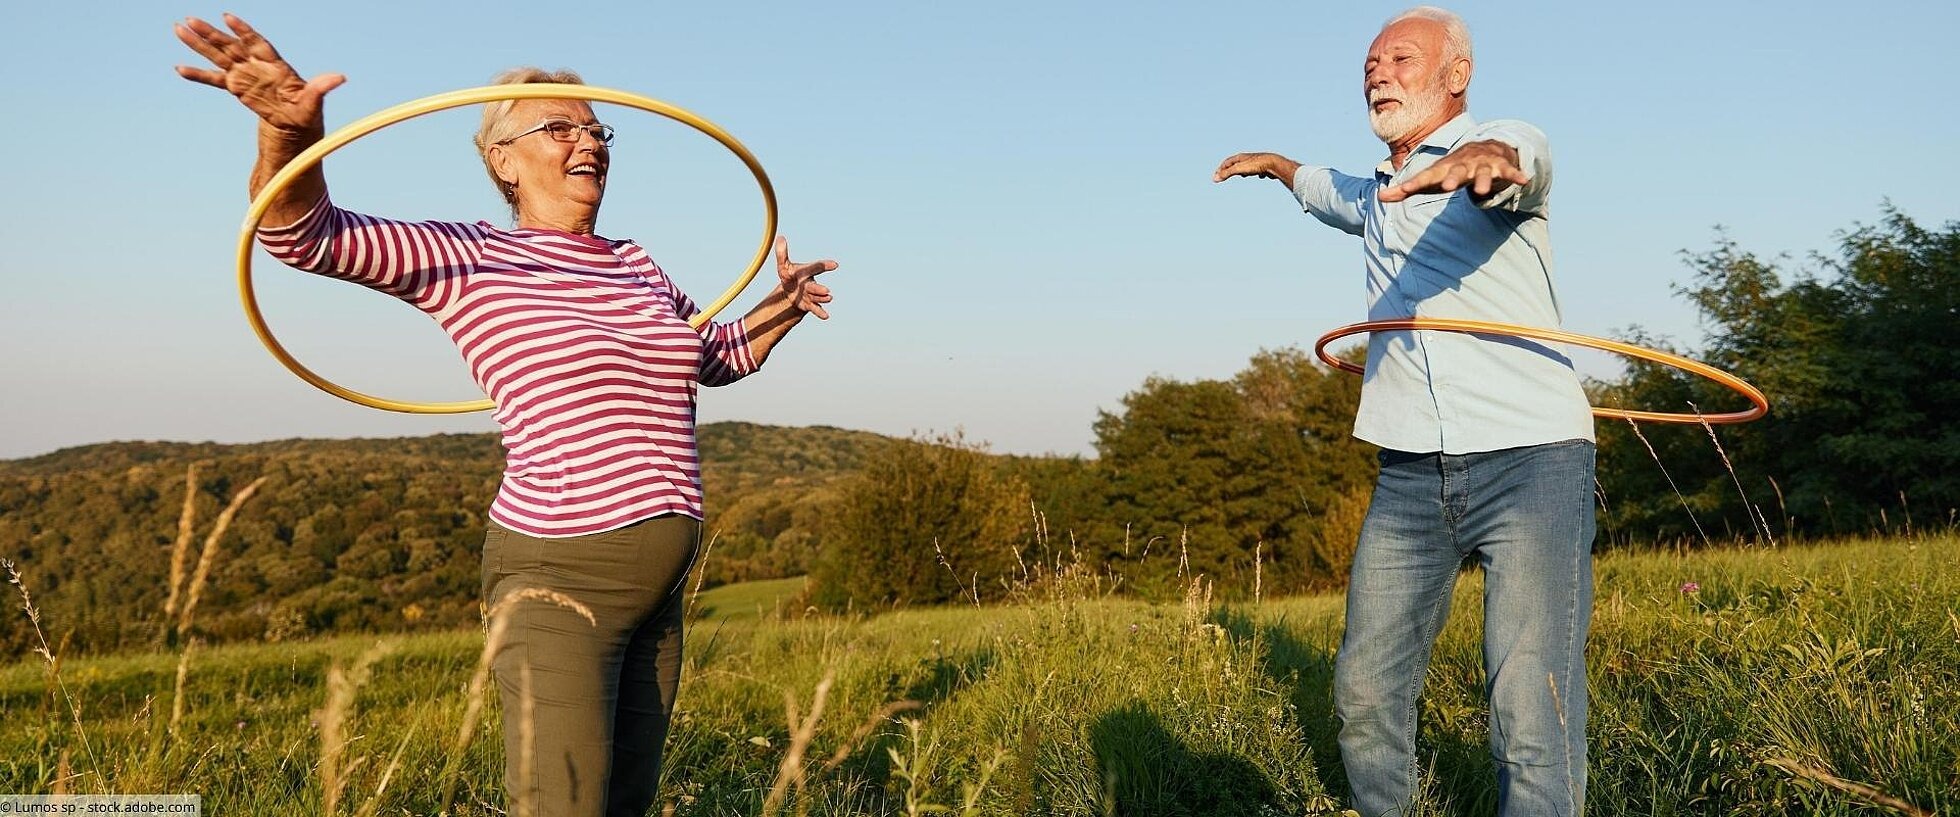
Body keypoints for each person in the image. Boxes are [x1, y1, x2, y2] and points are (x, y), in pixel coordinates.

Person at [174, 14, 838, 816]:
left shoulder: (635, 263)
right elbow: (305, 236)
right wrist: (288, 138)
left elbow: (714, 359)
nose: (587, 140)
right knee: (562, 803)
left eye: (597, 129)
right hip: (559, 576)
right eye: (559, 126)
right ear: (503, 160)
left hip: (661, 591)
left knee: (624, 802)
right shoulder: (470, 256)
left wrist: (784, 306)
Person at [1214, 6, 1595, 817]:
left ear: (1457, 76)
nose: (1377, 71)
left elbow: (1527, 157)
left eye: (1400, 58)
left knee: (1530, 707)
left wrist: (1489, 160)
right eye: (1370, 62)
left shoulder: (1490, 152)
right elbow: (1330, 192)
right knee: (1362, 692)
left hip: (1532, 460)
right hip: (1411, 471)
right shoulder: (1382, 192)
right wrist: (1278, 166)